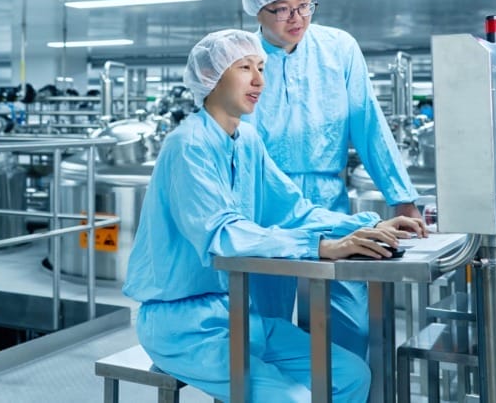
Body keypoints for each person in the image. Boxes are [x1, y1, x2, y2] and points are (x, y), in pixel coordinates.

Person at [122, 29, 426, 403]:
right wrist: (321, 247)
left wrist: (368, 225)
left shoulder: (246, 141)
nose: (259, 80)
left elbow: (294, 210)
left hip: (237, 314)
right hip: (182, 326)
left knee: (350, 375)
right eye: (245, 68)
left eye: (262, 68)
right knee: (293, 398)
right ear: (211, 78)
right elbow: (223, 234)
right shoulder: (187, 146)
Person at [238, 0, 423, 359]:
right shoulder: (241, 56)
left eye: (304, 5)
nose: (296, 17)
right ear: (258, 9)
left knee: (349, 323)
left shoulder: (339, 48)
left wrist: (401, 194)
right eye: (282, 8)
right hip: (263, 202)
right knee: (264, 324)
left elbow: (367, 123)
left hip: (327, 199)